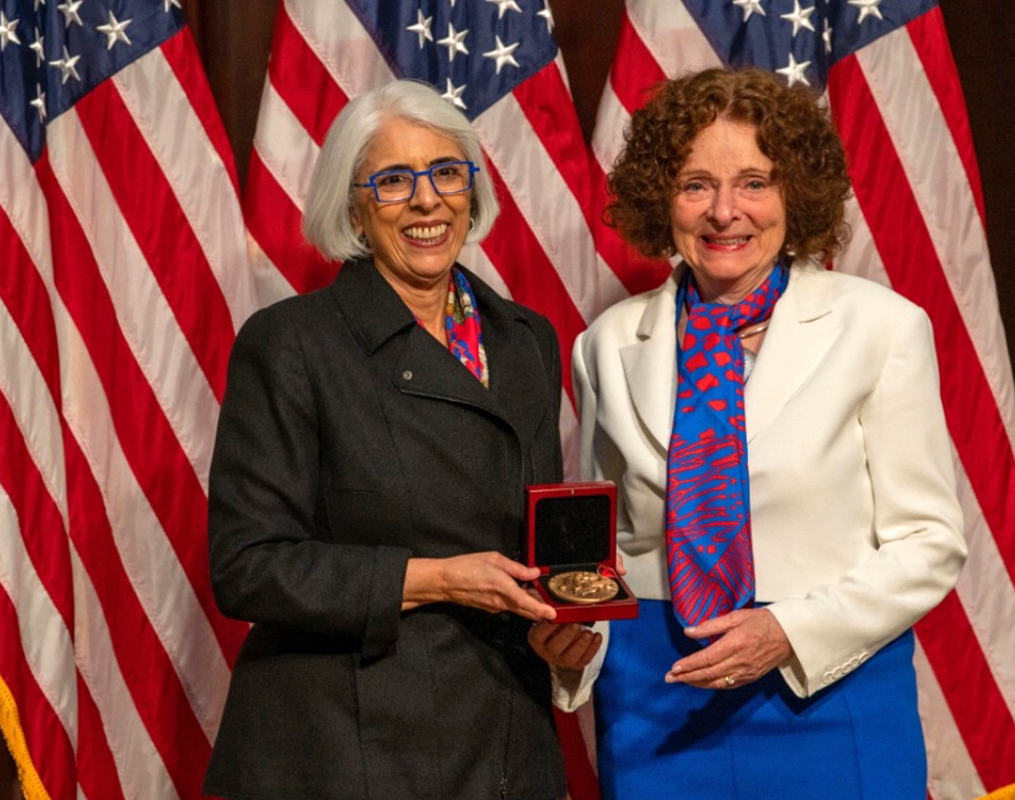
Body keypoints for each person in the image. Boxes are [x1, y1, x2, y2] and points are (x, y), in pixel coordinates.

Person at [530, 68, 968, 798]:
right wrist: (571, 647)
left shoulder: (881, 328)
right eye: (696, 184)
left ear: (794, 194)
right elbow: (599, 550)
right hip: (656, 700)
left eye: (754, 183)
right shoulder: (605, 344)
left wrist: (788, 632)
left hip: (827, 690)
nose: (724, 211)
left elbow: (929, 543)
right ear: (661, 198)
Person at [203, 81, 569, 800]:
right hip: (346, 747)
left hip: (504, 740)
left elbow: (544, 542)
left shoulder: (527, 341)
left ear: (473, 190)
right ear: (354, 209)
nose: (427, 200)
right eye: (395, 181)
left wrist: (568, 634)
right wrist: (435, 578)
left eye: (446, 173)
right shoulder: (291, 344)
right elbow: (247, 566)